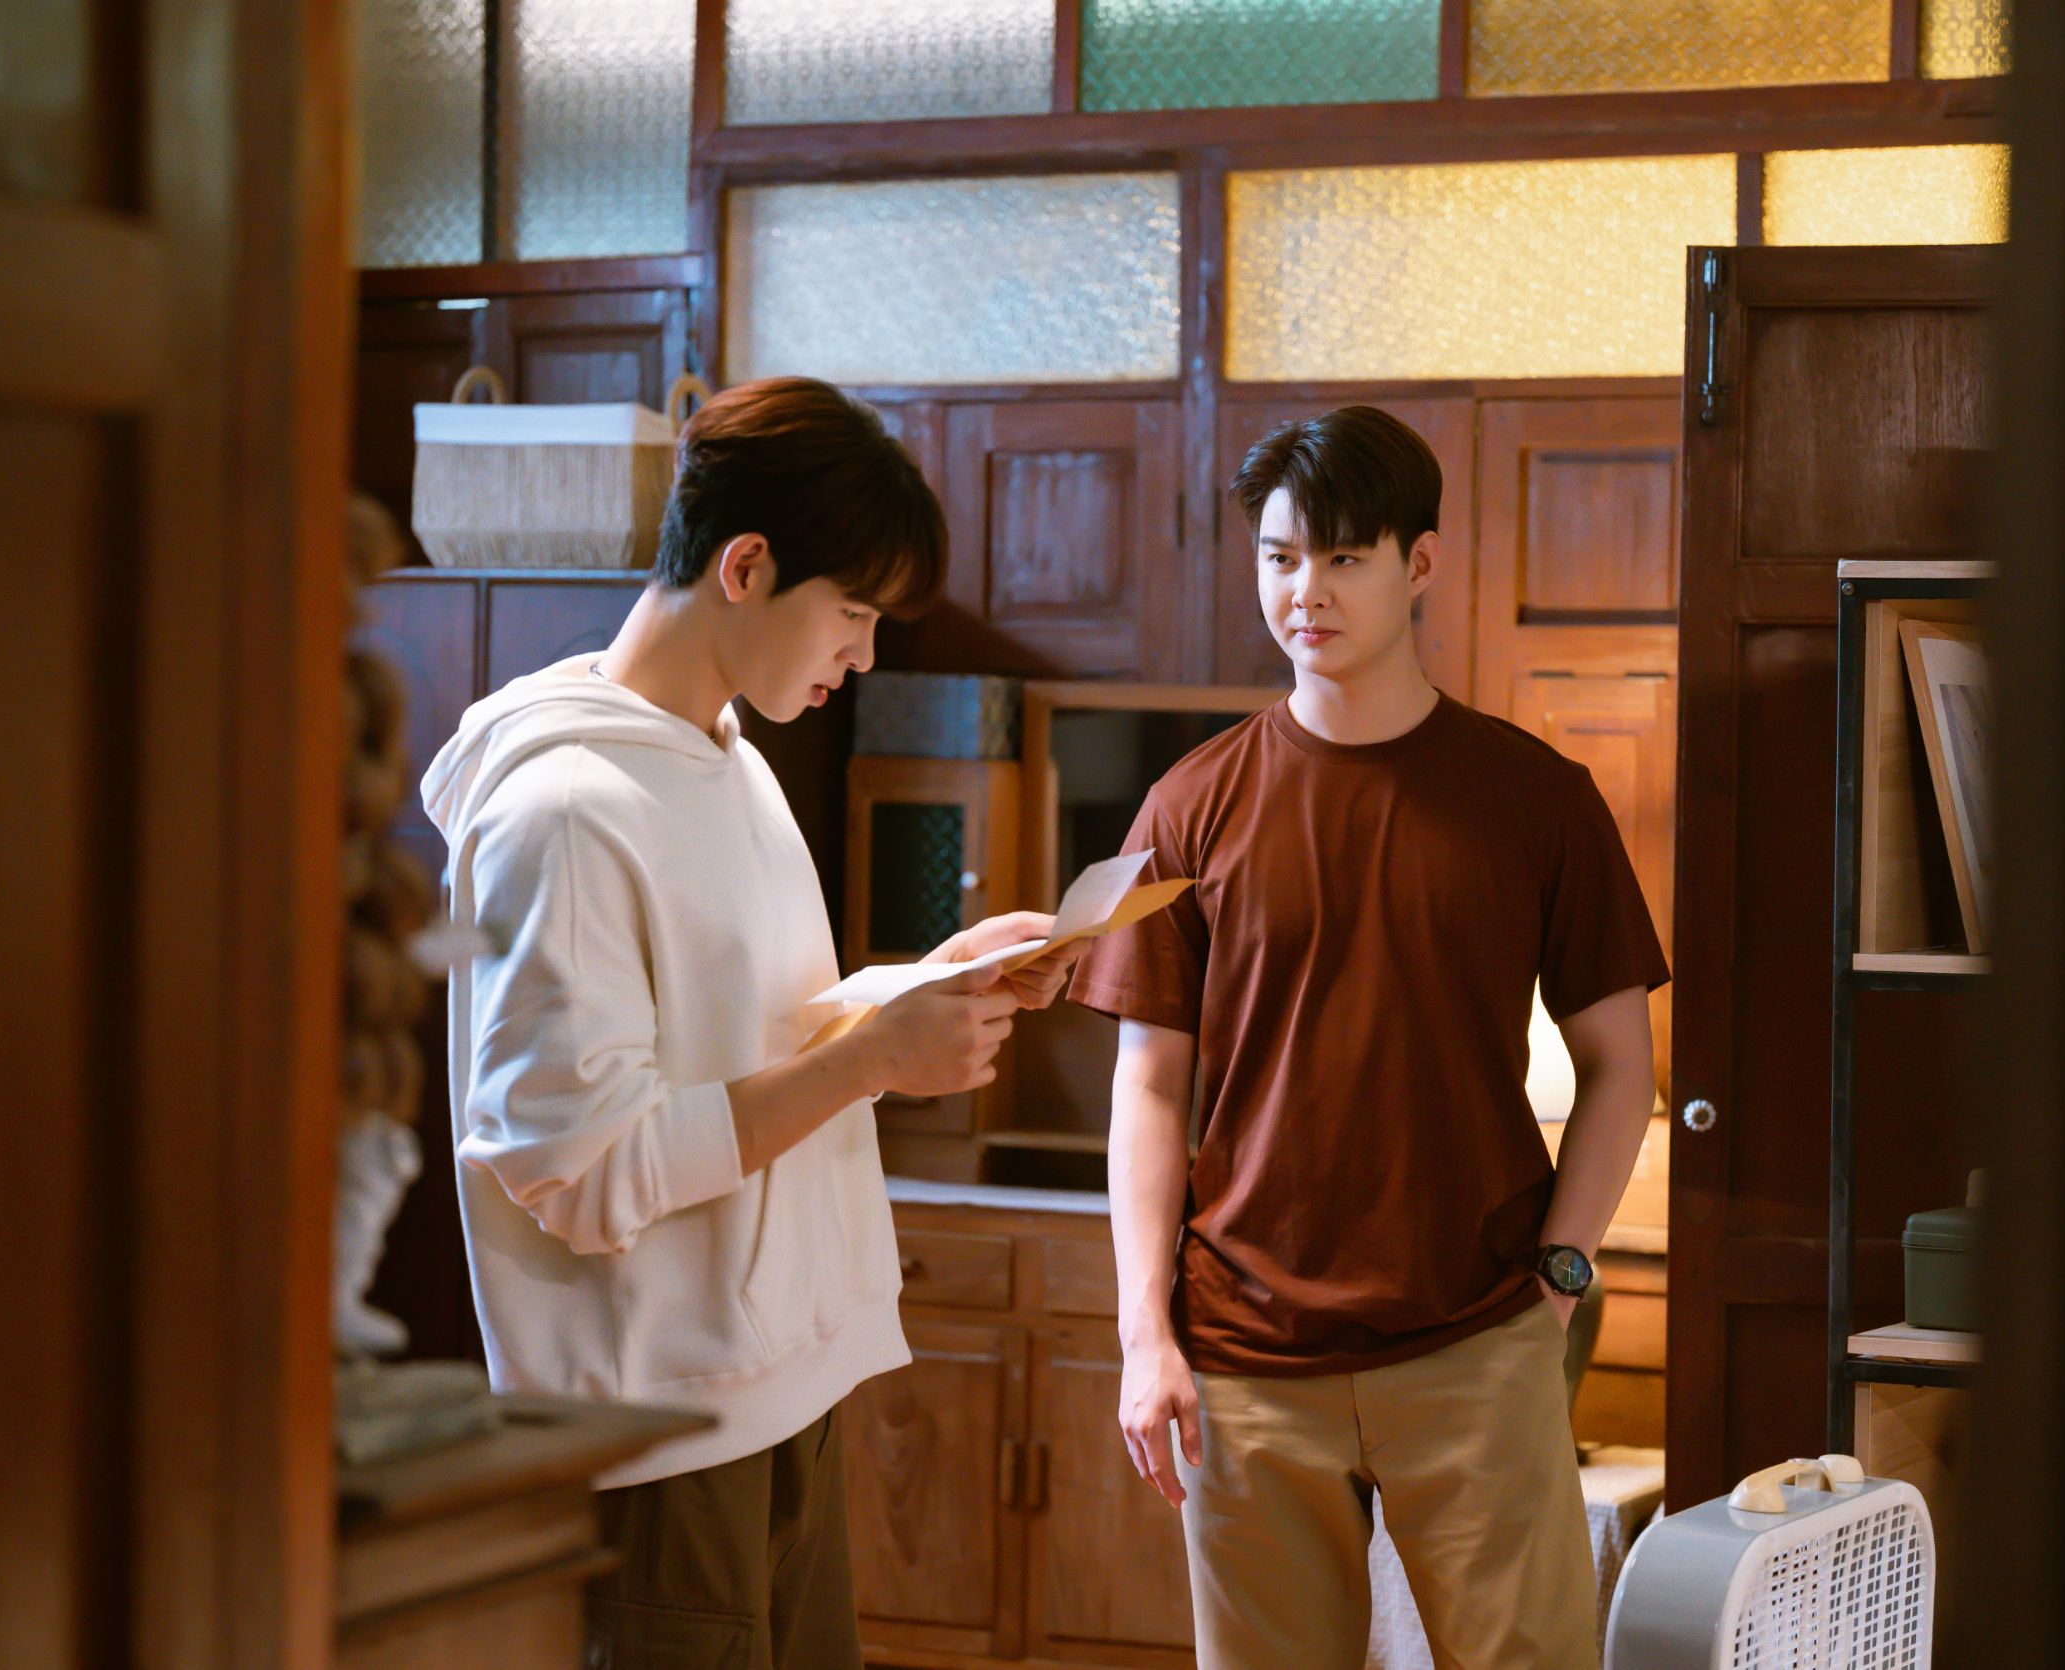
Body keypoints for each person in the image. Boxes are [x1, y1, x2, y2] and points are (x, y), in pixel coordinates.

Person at [422, 376, 1075, 1670]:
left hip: (778, 1388)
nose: (863, 655)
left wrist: (921, 985)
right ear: (744, 566)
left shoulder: (728, 754)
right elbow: (579, 1169)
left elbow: (751, 1036)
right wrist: (870, 1059)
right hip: (657, 1434)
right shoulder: (565, 807)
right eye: (853, 613)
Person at [1064, 406, 1669, 1670]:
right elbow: (1149, 1091)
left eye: (1342, 557)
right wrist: (1142, 1334)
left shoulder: (1536, 799)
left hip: (1476, 1336)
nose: (1306, 591)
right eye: (1280, 557)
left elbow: (1622, 1067)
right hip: (1242, 1357)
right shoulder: (1188, 804)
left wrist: (1559, 1275)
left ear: (1419, 562)